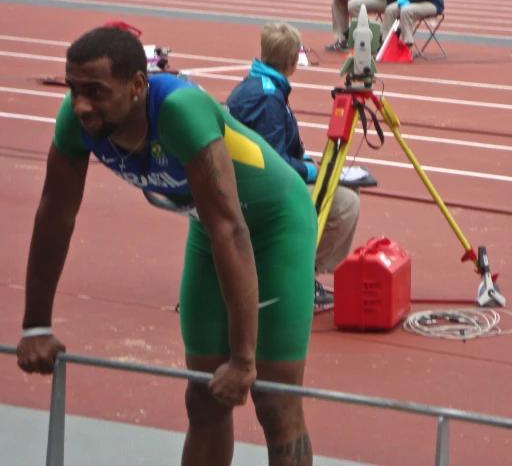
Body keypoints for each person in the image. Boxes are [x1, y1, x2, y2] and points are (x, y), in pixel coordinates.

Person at [15, 26, 318, 466]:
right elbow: (55, 214)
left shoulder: (180, 110)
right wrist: (36, 326)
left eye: (95, 91)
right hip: (208, 224)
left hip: (274, 223)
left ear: (138, 85)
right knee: (204, 397)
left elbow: (232, 230)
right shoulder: (78, 121)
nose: (81, 105)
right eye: (74, 90)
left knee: (274, 402)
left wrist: (244, 357)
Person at [226, 22, 361, 307]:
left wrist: (308, 165)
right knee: (346, 201)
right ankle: (297, 277)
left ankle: (294, 271)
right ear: (291, 61)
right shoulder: (266, 97)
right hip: (257, 190)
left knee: (342, 189)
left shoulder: (261, 86)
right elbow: (271, 164)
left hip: (248, 181)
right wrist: (310, 171)